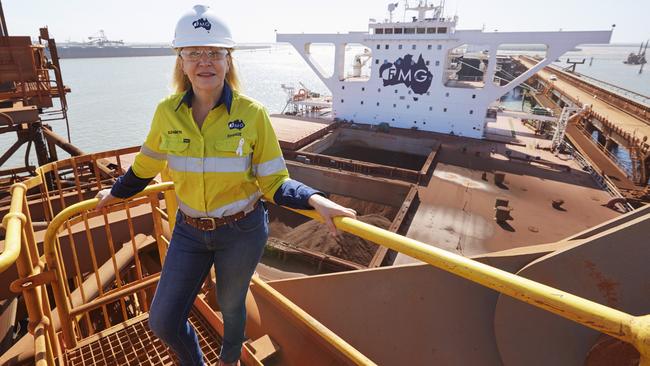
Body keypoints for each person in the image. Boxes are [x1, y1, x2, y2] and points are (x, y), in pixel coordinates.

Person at [94, 5, 356, 365]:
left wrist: (313, 199)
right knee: (164, 321)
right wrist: (115, 192)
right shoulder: (166, 113)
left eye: (215, 52)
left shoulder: (252, 114)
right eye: (195, 53)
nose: (206, 61)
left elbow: (273, 179)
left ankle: (229, 360)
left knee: (233, 305)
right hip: (188, 230)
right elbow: (145, 166)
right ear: (181, 62)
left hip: (242, 230)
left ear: (228, 60)